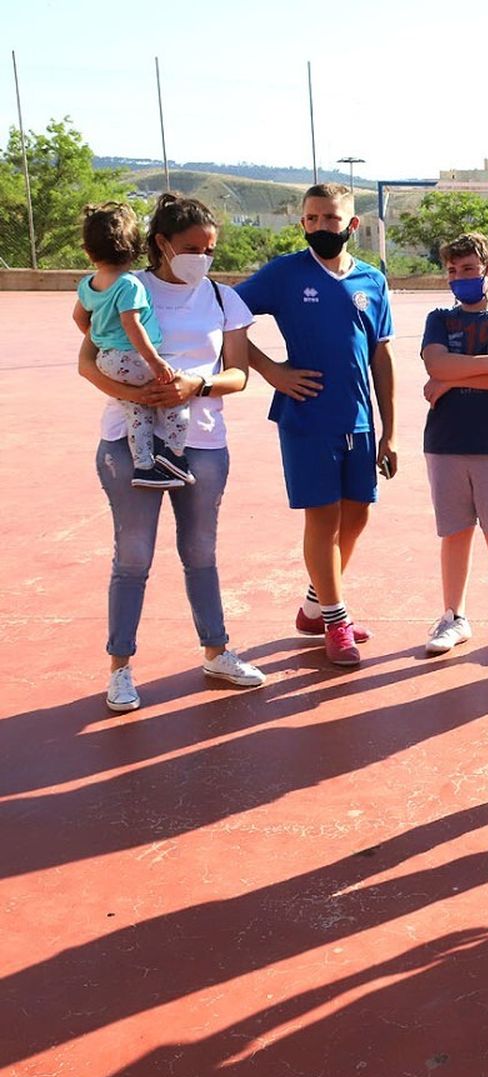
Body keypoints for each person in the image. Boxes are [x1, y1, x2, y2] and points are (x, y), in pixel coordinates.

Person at [75, 193, 267, 710]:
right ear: (162, 243)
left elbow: (238, 374)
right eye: (192, 248)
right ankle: (120, 669)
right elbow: (87, 361)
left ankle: (216, 652)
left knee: (200, 553)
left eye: (210, 249)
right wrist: (134, 394)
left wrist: (195, 385)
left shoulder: (224, 299)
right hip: (126, 441)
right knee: (133, 556)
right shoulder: (126, 286)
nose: (203, 258)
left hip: (201, 443)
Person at [238, 183, 397, 668]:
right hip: (306, 417)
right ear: (302, 222)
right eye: (312, 218)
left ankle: (314, 607)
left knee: (358, 516)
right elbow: (224, 315)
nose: (320, 226)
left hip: (359, 419)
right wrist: (273, 372)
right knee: (323, 519)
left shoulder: (372, 280)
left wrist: (389, 430)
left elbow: (381, 356)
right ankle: (335, 619)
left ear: (352, 224)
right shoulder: (284, 274)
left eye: (331, 218)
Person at [418, 233, 488, 662]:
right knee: (454, 533)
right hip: (446, 442)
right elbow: (435, 363)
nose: (459, 277)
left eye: (469, 269)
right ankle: (454, 617)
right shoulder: (439, 319)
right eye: (452, 271)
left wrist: (449, 380)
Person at [73, 202, 191, 489]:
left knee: (137, 410)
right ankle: (175, 455)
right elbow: (132, 325)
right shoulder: (129, 285)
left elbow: (78, 317)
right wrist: (155, 361)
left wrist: (101, 338)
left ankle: (144, 466)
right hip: (133, 357)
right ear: (134, 249)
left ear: (88, 250)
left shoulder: (88, 285)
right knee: (175, 395)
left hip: (108, 360)